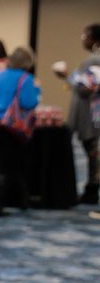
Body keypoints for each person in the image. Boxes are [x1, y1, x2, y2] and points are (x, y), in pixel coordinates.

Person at [0, 47, 41, 216]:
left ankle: (24, 199)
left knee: (11, 163)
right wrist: (37, 90)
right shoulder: (26, 79)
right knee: (8, 165)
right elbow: (28, 102)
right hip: (9, 126)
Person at [52, 23, 100, 205]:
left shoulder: (94, 60)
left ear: (95, 39)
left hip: (92, 113)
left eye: (85, 36)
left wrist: (66, 75)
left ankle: (92, 189)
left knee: (93, 152)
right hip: (95, 111)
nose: (83, 40)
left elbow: (86, 87)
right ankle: (92, 187)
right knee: (93, 151)